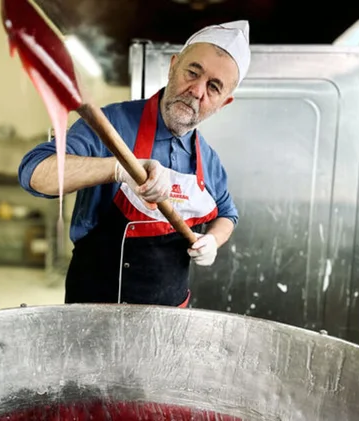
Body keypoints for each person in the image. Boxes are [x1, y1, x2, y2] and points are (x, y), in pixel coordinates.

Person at [18, 20, 250, 307]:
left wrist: (213, 240)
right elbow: (34, 173)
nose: (197, 90)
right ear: (173, 66)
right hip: (95, 314)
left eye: (214, 87)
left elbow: (228, 214)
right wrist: (117, 170)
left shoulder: (209, 160)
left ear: (223, 102)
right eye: (193, 72)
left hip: (169, 320)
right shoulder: (112, 125)